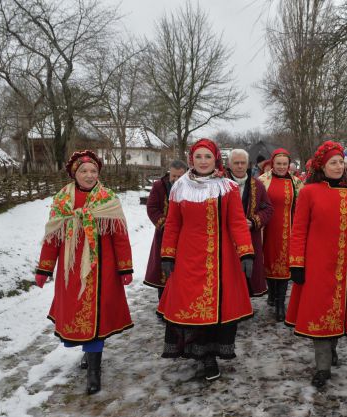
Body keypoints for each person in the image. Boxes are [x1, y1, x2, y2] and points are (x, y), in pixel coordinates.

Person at [35, 150, 134, 395]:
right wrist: (44, 269)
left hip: (103, 271)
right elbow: (52, 238)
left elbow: (120, 237)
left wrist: (125, 267)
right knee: (77, 317)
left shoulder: (107, 199)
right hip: (71, 272)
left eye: (93, 171)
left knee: (98, 320)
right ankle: (88, 353)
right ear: (74, 174)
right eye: (84, 171)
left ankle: (94, 370)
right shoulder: (61, 201)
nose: (89, 175)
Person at [157, 139, 254, 381]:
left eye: (207, 157)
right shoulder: (180, 187)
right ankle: (201, 355)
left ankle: (211, 353)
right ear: (192, 159)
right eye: (198, 156)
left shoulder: (228, 187)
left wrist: (246, 252)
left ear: (216, 160)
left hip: (221, 259)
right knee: (192, 306)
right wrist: (167, 254)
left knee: (219, 306)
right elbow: (173, 224)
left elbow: (237, 223)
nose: (202, 161)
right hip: (189, 257)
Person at [285, 141, 347, 388]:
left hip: (344, 266)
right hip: (316, 266)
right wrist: (297, 264)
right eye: (333, 162)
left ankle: (332, 347)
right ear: (323, 165)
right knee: (319, 313)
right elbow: (299, 230)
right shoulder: (309, 192)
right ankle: (322, 366)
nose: (338, 166)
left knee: (339, 312)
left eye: (341, 162)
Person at [259, 148, 304, 321]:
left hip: (288, 230)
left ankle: (280, 304)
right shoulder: (262, 181)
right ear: (272, 163)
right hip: (268, 229)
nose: (281, 167)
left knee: (285, 266)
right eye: (278, 164)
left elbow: (302, 206)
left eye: (285, 164)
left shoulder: (297, 183)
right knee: (269, 262)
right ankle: (272, 293)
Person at [226, 148, 274, 297]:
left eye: (243, 163)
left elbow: (268, 209)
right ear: (229, 164)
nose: (240, 166)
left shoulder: (257, 185)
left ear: (248, 164)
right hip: (226, 238)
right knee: (227, 274)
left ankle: (244, 305)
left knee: (247, 274)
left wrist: (253, 221)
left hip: (250, 238)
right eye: (236, 163)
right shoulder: (220, 184)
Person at [144, 160, 188, 300]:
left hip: (185, 236)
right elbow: (152, 208)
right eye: (173, 176)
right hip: (163, 234)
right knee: (163, 269)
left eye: (179, 177)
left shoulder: (191, 187)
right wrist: (164, 224)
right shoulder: (159, 186)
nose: (175, 180)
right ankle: (162, 301)